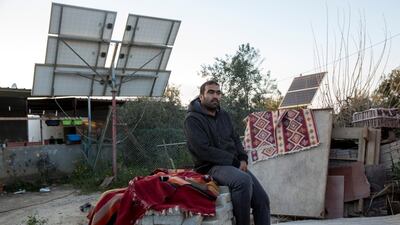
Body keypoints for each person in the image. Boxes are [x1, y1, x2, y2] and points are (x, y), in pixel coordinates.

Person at [184, 80, 270, 225]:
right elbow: (202, 150)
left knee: (262, 200)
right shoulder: (192, 119)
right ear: (201, 96)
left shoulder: (224, 115)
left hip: (232, 164)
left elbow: (235, 138)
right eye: (210, 92)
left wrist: (242, 158)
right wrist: (234, 162)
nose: (215, 96)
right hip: (210, 166)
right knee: (242, 181)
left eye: (218, 93)